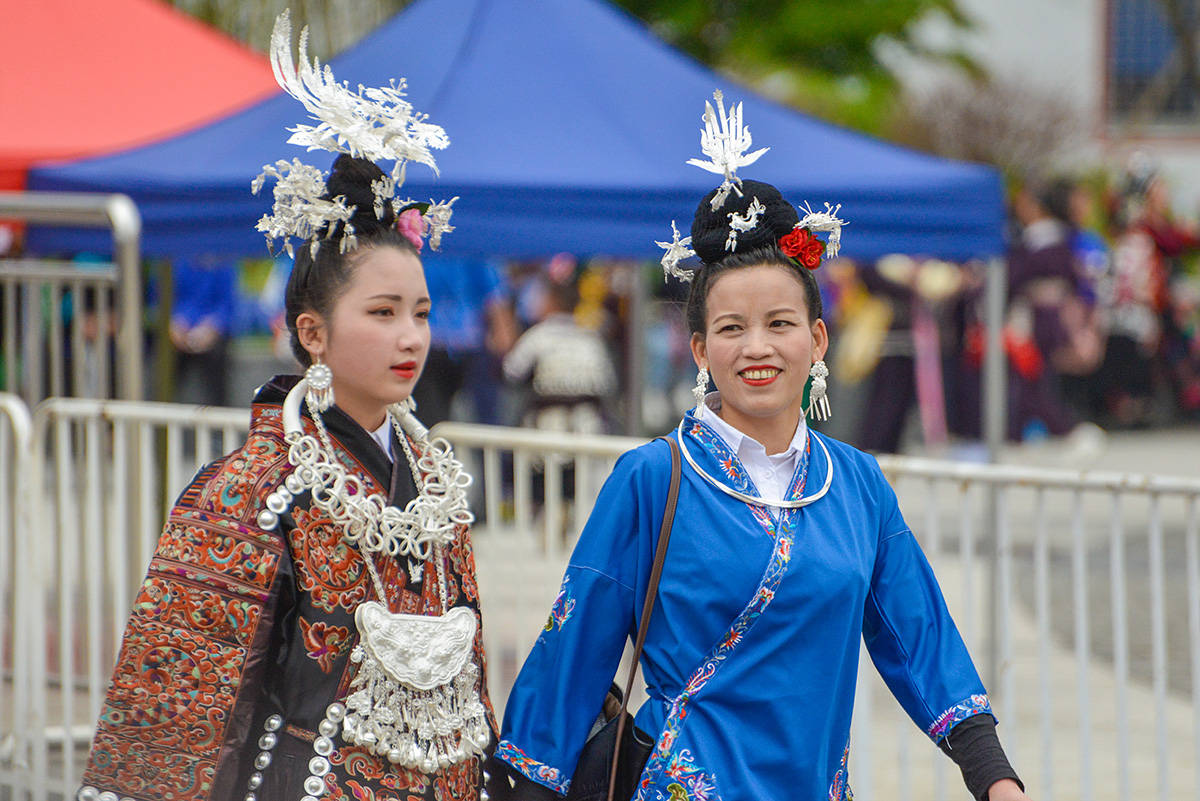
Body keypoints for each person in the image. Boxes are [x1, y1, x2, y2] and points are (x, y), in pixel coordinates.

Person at [495, 94, 1027, 801]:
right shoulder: (655, 477)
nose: (757, 348)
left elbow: (919, 633)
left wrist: (991, 773)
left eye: (780, 322)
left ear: (818, 339)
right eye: (731, 328)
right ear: (698, 349)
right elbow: (576, 646)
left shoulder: (857, 485)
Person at [75, 13, 503, 801]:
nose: (410, 336)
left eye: (421, 311)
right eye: (381, 313)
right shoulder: (249, 489)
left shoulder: (436, 483)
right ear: (313, 332)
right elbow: (174, 722)